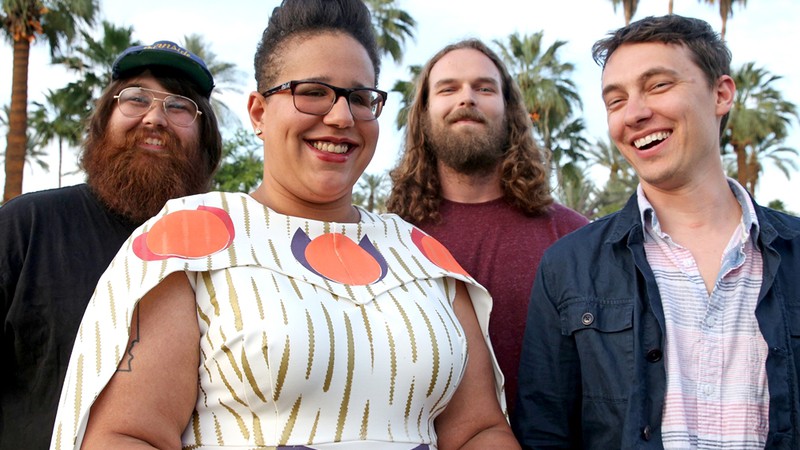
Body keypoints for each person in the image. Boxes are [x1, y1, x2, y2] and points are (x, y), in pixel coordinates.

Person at [49, 1, 520, 449]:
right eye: (312, 92)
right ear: (258, 112)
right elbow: (129, 436)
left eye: (359, 97)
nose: (341, 117)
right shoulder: (186, 242)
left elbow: (479, 430)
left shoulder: (422, 255)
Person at [513, 14, 800, 449]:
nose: (635, 113)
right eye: (615, 100)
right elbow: (544, 433)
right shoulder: (569, 266)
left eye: (658, 86)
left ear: (721, 94)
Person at [0, 40, 221, 450]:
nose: (155, 118)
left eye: (178, 106)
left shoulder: (225, 256)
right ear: (104, 120)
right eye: (136, 99)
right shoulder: (25, 228)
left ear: (205, 139)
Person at [386, 38, 588, 416]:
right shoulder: (389, 243)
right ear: (424, 114)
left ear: (510, 111)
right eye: (448, 89)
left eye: (484, 88)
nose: (467, 99)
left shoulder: (574, 238)